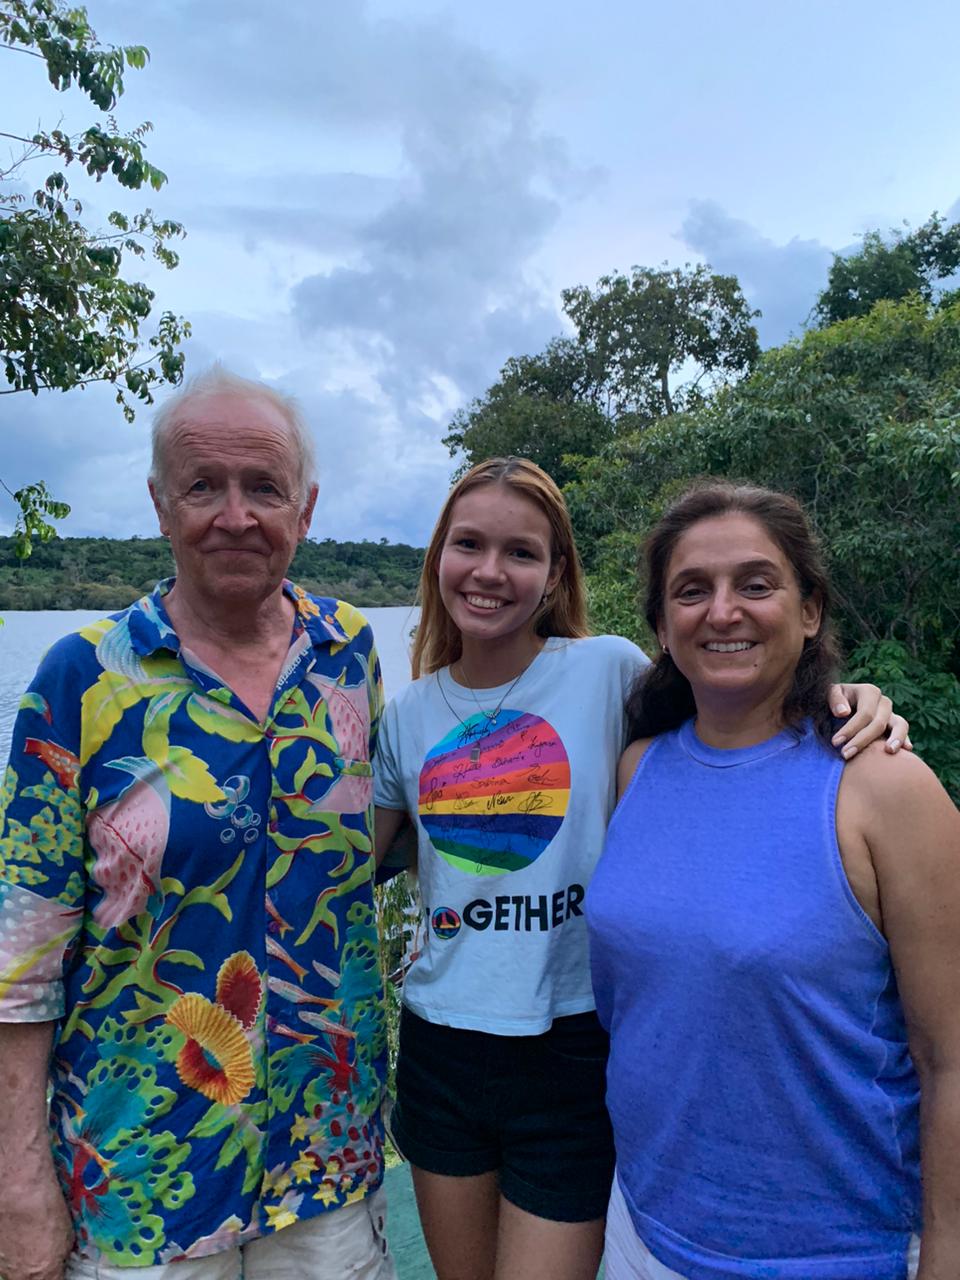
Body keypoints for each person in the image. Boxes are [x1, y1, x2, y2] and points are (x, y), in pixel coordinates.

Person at [372, 458, 911, 1280]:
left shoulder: (609, 669)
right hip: (443, 1042)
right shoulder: (406, 714)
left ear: (556, 574)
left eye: (520, 552)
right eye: (467, 544)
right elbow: (346, 867)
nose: (489, 572)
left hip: (574, 1040)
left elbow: (735, 717)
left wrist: (848, 696)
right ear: (437, 555)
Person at [0, 368, 396, 1280]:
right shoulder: (84, 679)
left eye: (264, 487)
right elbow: (22, 956)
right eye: (202, 486)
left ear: (306, 507)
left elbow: (359, 849)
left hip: (323, 1158)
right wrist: (19, 1180)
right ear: (158, 503)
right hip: (143, 1168)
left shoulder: (349, 654)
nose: (235, 514)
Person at [586, 481, 960, 1280]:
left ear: (811, 609)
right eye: (692, 591)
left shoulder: (885, 789)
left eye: (756, 584)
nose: (723, 612)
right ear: (660, 622)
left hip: (837, 1252)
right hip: (643, 1233)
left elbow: (948, 1053)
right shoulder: (638, 769)